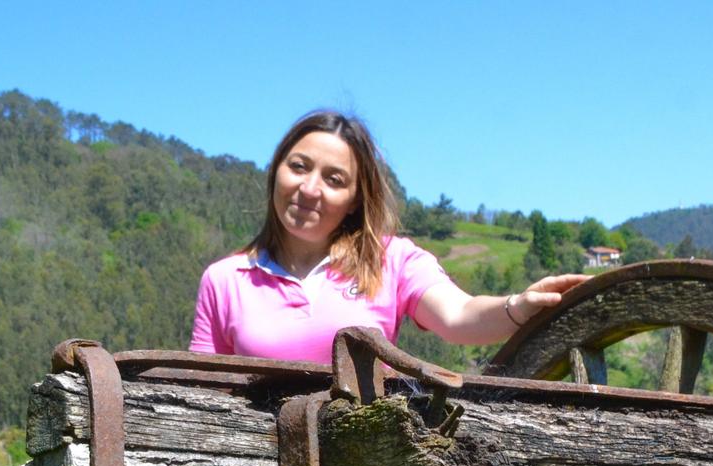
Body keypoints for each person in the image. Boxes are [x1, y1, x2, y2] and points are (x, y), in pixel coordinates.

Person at [190, 110, 585, 361]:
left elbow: (459, 316)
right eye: (298, 166)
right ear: (276, 170)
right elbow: (203, 392)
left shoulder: (392, 260)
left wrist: (519, 305)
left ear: (353, 201)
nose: (309, 189)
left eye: (334, 179)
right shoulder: (224, 280)